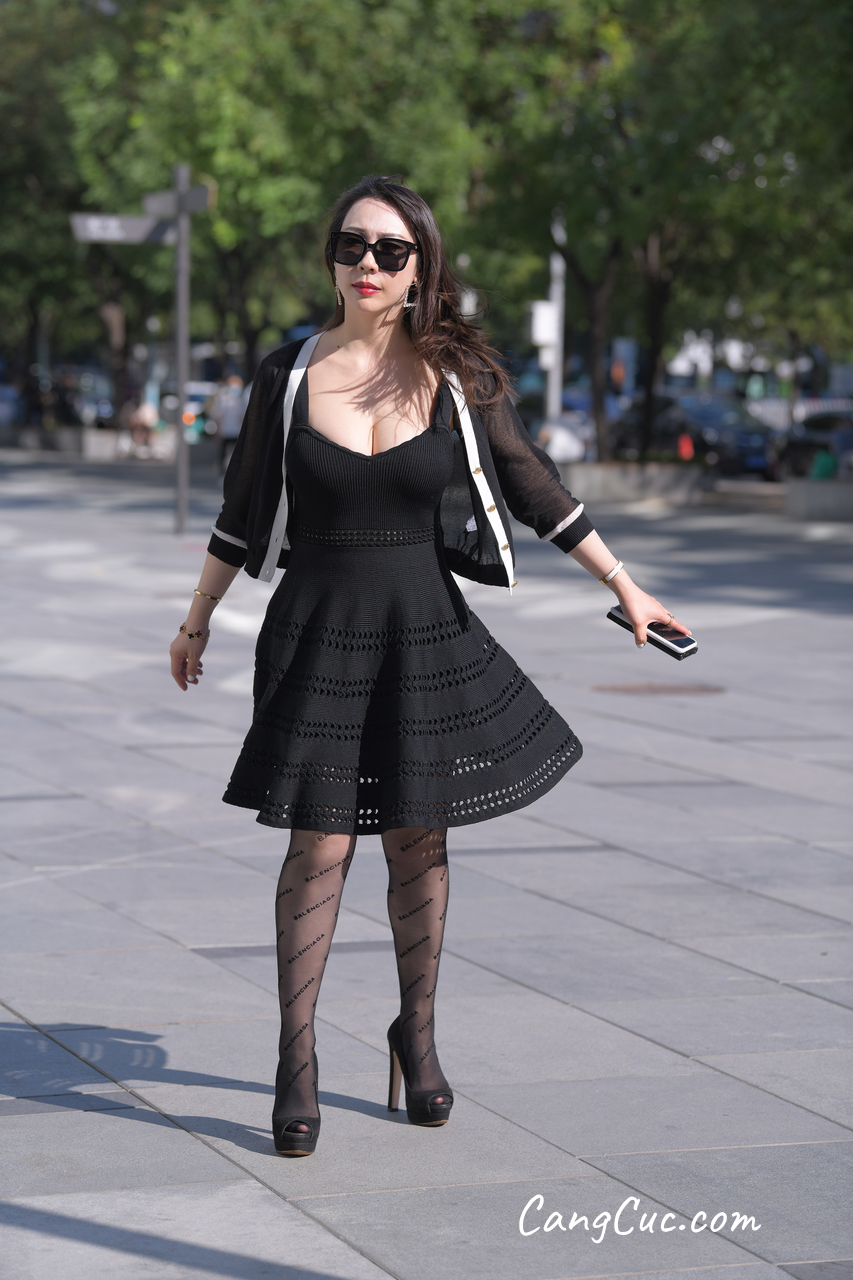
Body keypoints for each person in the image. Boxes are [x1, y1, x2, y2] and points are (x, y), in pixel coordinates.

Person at [169, 175, 690, 1158]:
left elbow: (532, 481)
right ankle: (295, 1056)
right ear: (331, 259)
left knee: (418, 839)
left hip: (422, 630)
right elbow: (240, 511)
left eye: (390, 250)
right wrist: (196, 620)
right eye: (351, 245)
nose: (367, 263)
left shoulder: (456, 376)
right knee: (320, 844)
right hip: (316, 631)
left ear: (420, 269)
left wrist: (626, 586)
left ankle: (417, 1033)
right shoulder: (286, 374)